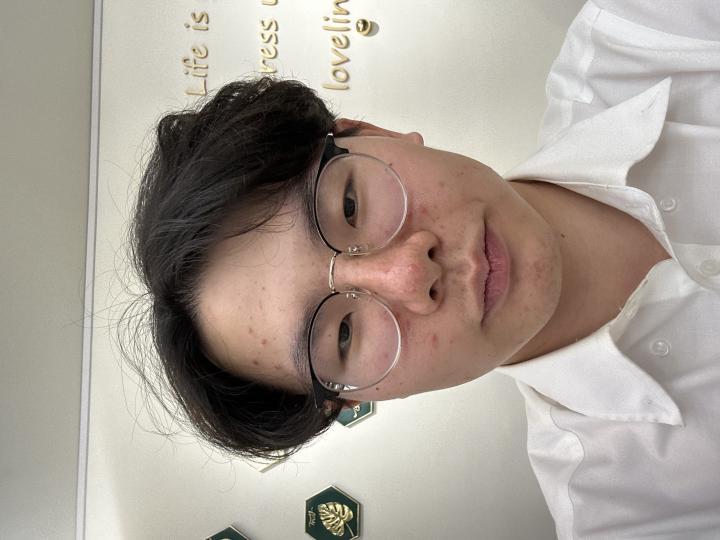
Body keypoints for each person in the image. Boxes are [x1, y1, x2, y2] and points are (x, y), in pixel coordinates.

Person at [128, 1, 720, 537]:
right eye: (342, 334)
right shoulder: (630, 516)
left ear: (372, 134)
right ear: (353, 399)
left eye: (350, 207)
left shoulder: (646, 29)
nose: (410, 275)